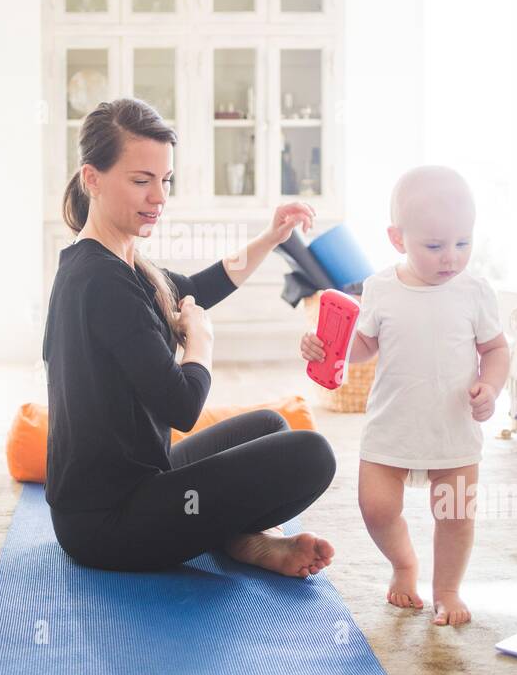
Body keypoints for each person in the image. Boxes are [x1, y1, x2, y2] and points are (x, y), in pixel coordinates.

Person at [44, 97, 337, 575]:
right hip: (107, 526)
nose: (159, 197)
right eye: (141, 181)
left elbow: (199, 287)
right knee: (311, 456)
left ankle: (242, 539)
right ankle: (241, 538)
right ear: (92, 179)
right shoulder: (101, 282)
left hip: (141, 484)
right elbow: (181, 407)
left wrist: (271, 237)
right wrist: (202, 340)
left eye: (165, 180)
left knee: (270, 426)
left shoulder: (116, 261)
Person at [300, 166, 509, 624]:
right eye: (434, 246)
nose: (451, 257)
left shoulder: (475, 291)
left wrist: (491, 387)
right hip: (392, 424)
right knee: (376, 508)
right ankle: (403, 563)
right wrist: (329, 346)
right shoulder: (380, 288)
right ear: (397, 239)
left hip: (453, 428)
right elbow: (363, 346)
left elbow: (495, 350)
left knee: (455, 514)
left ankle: (447, 589)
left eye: (463, 242)